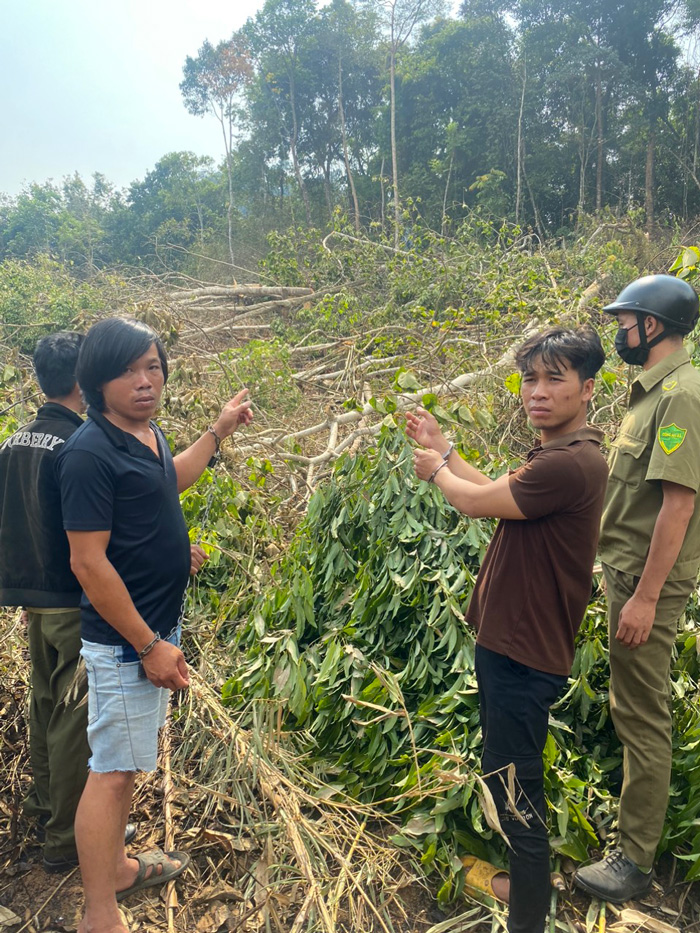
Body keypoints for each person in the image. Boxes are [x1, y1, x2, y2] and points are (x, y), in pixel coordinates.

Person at [407, 327, 608, 933]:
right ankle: (523, 888)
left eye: (555, 379)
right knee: (509, 778)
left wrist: (435, 471)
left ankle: (528, 918)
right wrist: (445, 451)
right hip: (510, 650)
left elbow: (471, 502)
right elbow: (494, 492)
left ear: (588, 389)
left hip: (522, 658)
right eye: (529, 379)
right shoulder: (556, 457)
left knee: (517, 793)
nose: (537, 392)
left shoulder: (572, 464)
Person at [55, 316, 252, 933]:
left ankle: (115, 866)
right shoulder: (89, 453)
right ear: (95, 380)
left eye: (153, 367)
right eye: (128, 371)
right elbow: (87, 562)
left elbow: (168, 484)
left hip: (153, 631)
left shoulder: (146, 434)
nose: (145, 382)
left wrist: (216, 434)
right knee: (111, 774)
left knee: (128, 763)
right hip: (126, 644)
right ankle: (99, 912)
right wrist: (147, 645)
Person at [574, 274, 700, 904]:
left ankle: (635, 861)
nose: (620, 333)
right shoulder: (653, 393)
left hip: (646, 585)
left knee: (642, 717)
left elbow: (678, 507)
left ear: (652, 325)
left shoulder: (681, 396)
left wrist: (647, 597)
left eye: (626, 323)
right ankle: (632, 833)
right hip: (626, 574)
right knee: (631, 709)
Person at [0, 332, 98, 872]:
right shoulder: (78, 445)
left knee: (44, 704)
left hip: (30, 600)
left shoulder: (13, 442)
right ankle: (66, 836)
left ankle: (44, 807)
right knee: (72, 717)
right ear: (83, 381)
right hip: (70, 600)